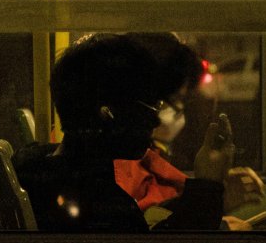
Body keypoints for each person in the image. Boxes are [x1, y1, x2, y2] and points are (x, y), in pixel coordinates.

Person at [12, 33, 234, 232]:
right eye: (148, 106)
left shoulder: (38, 169)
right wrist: (208, 186)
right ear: (108, 113)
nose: (155, 120)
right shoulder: (102, 202)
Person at [115, 32, 265, 230]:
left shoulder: (148, 157)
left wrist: (215, 194)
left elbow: (159, 214)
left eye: (182, 101)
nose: (177, 111)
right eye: (167, 101)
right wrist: (210, 198)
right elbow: (147, 233)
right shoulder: (119, 162)